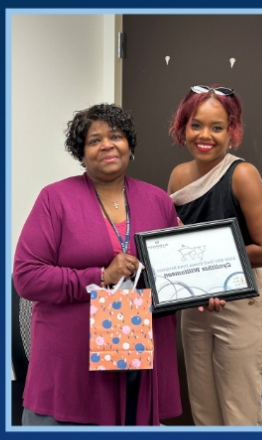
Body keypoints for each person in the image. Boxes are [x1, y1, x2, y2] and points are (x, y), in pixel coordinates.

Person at [13, 104, 182, 425]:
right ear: (81, 152)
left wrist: (202, 293)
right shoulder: (55, 199)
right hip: (71, 362)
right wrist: (101, 276)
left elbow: (172, 271)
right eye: (94, 140)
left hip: (137, 357)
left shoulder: (158, 200)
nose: (107, 144)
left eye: (115, 136)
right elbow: (27, 276)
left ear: (129, 144)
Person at [167, 85, 262, 425]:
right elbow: (177, 244)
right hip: (196, 305)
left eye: (217, 127)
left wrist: (212, 275)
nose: (205, 135)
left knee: (239, 414)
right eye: (196, 125)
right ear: (183, 127)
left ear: (232, 131)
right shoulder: (178, 176)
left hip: (240, 305)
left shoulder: (242, 175)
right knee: (204, 412)